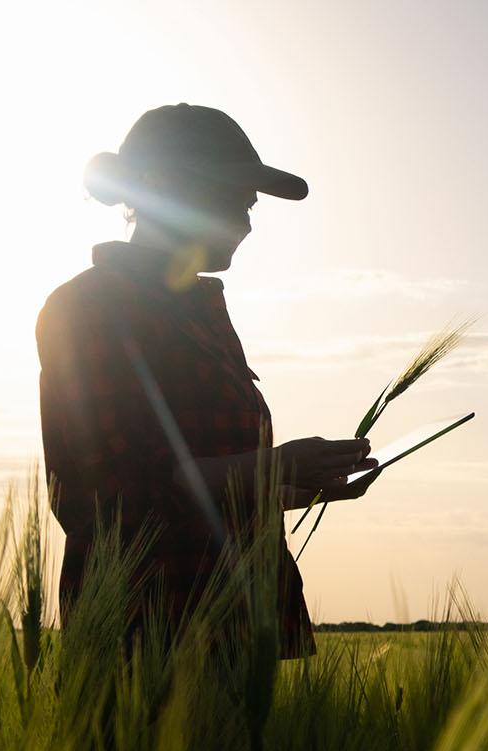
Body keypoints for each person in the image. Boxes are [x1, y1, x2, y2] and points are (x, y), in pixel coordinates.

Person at [37, 104, 377, 658]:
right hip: (146, 629)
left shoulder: (201, 311)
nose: (245, 223)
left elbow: (209, 486)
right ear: (160, 188)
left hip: (235, 629)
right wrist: (279, 465)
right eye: (232, 199)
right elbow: (123, 489)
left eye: (248, 206)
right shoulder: (90, 307)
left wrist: (307, 486)